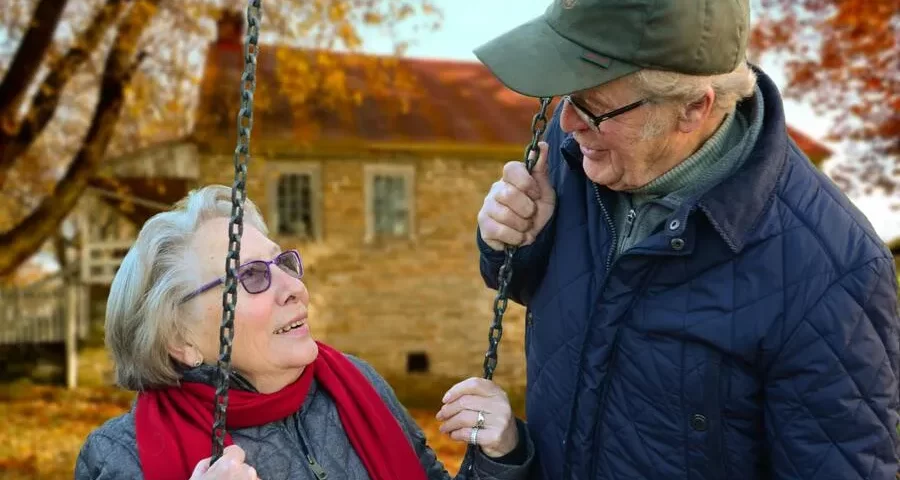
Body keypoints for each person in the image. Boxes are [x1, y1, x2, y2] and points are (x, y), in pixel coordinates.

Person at [473, 0, 900, 479]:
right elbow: (546, 293)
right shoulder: (581, 150)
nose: (569, 123)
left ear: (695, 108)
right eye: (565, 97)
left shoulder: (832, 270)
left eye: (592, 108)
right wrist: (512, 241)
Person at [75, 185, 534, 480]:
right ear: (181, 339)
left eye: (283, 263)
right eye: (252, 276)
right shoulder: (119, 457)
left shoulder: (355, 385)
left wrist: (500, 455)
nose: (293, 288)